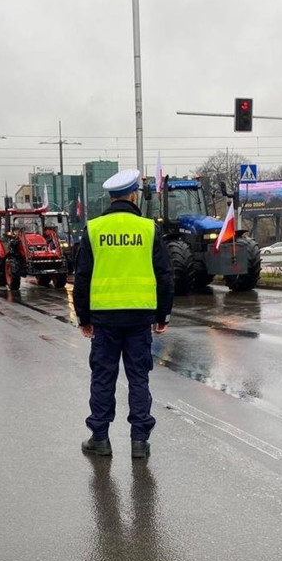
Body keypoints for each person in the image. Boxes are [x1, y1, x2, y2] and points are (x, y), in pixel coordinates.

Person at [74, 168, 173, 459]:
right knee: (138, 378)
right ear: (133, 195)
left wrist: (84, 318)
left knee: (103, 378)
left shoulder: (94, 229)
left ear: (112, 196)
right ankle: (139, 443)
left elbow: (82, 276)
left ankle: (100, 439)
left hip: (104, 319)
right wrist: (162, 315)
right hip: (140, 317)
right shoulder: (148, 228)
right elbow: (164, 275)